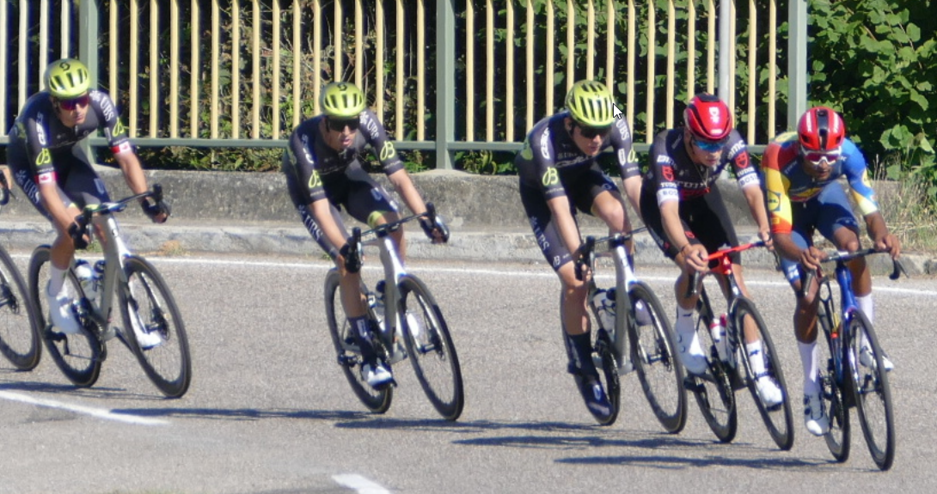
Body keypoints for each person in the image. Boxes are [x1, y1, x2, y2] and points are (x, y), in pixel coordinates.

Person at [282, 81, 447, 390]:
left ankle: (389, 295)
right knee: (348, 261)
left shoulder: (368, 123)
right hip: (314, 197)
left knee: (393, 222)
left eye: (352, 122)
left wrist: (427, 216)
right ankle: (369, 355)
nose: (347, 131)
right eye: (338, 123)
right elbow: (319, 209)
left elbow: (398, 177)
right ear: (325, 120)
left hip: (348, 179)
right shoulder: (302, 141)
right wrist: (346, 247)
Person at [7, 58, 168, 346]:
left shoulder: (100, 103)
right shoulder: (36, 120)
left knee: (106, 225)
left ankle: (130, 319)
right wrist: (71, 227)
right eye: (68, 103)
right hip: (31, 169)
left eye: (81, 99)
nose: (78, 108)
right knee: (70, 231)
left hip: (69, 160)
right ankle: (56, 293)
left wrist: (146, 202)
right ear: (55, 102)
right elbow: (47, 190)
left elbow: (125, 157)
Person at [762, 106, 900, 436]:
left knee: (853, 249)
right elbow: (781, 238)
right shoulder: (778, 157)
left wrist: (881, 233)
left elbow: (868, 205)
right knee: (809, 295)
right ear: (801, 148)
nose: (824, 164)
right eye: (815, 157)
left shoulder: (849, 153)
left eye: (829, 157)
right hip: (790, 215)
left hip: (825, 198)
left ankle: (866, 343)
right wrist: (802, 253)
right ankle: (810, 388)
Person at [640, 93, 783, 408]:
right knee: (696, 265)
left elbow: (751, 189)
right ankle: (685, 329)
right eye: (705, 145)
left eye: (719, 143)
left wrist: (765, 226)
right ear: (689, 134)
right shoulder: (666, 149)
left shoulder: (729, 141)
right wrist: (687, 247)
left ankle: (760, 374)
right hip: (665, 207)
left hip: (704, 199)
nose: (715, 152)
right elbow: (668, 213)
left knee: (736, 283)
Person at [515, 80, 642, 422]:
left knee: (618, 215)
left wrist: (660, 227)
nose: (596, 140)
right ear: (570, 123)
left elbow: (633, 185)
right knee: (575, 280)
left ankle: (627, 289)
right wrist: (579, 255)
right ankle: (584, 368)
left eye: (601, 132)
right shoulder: (543, 140)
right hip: (543, 194)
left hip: (583, 176)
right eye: (587, 132)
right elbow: (560, 210)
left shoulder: (615, 119)